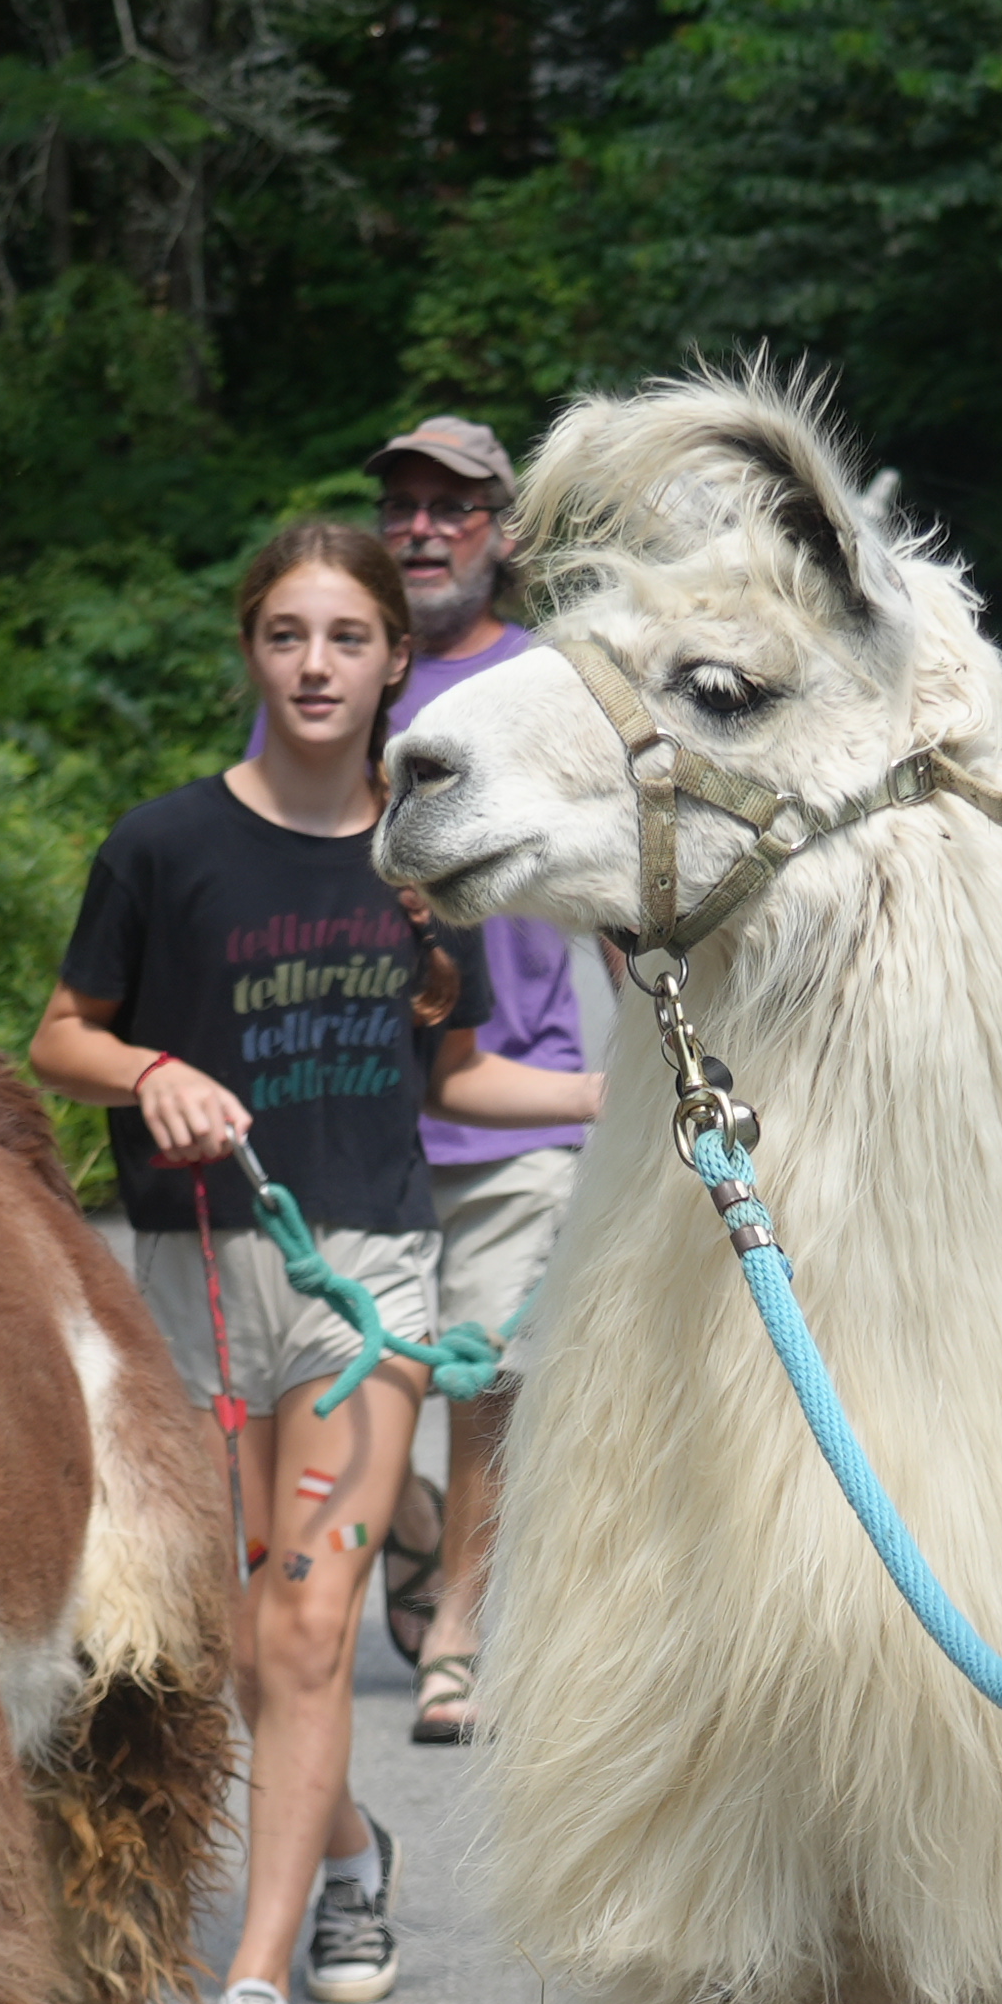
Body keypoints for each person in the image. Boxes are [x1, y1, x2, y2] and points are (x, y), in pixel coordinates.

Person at [28, 518, 543, 2004]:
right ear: (253, 651)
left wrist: (639, 1095)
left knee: (311, 1620)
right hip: (190, 1285)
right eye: (288, 637)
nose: (318, 667)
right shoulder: (164, 848)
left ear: (398, 660)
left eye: (349, 639)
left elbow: (460, 1075)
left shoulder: (424, 861)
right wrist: (155, 1070)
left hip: (367, 1281)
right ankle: (353, 1846)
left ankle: (255, 1984)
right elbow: (61, 1038)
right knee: (234, 1638)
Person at [365, 412, 590, 1752]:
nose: (425, 529)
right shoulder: (341, 668)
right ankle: (419, 1539)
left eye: (453, 507)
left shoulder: (546, 682)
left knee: (487, 1377)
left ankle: (459, 1628)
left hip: (520, 1091)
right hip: (362, 1107)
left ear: (500, 532)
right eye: (402, 506)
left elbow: (623, 887)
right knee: (364, 1377)